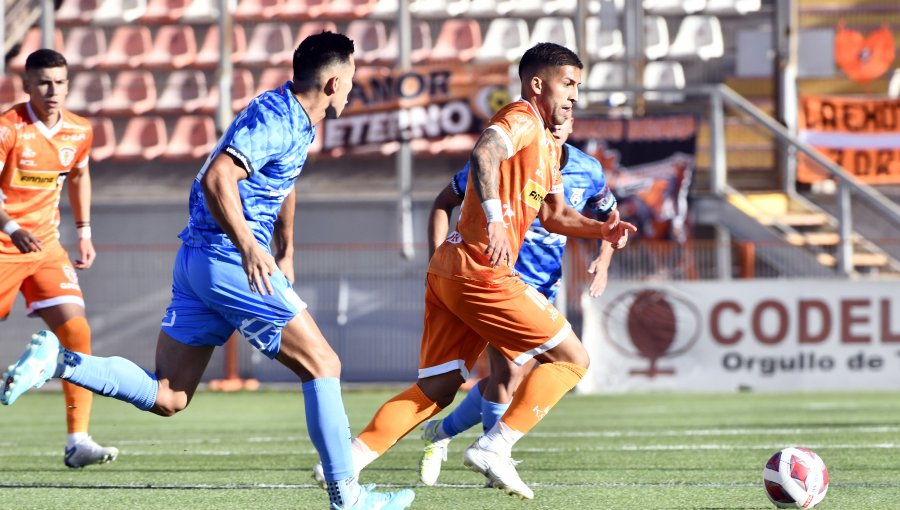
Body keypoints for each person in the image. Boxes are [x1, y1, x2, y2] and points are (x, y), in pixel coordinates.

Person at [0, 32, 414, 510]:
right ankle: (349, 497)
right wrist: (249, 248)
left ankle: (58, 362)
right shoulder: (278, 118)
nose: (352, 89)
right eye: (352, 80)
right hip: (228, 257)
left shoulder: (295, 119)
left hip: (201, 260)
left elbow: (281, 181)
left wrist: (287, 248)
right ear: (334, 82)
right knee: (324, 365)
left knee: (169, 394)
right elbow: (220, 176)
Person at [314, 42, 636, 500]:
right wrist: (497, 220)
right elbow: (484, 153)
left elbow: (555, 216)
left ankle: (346, 462)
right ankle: (495, 447)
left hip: (452, 268)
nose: (575, 96)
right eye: (568, 84)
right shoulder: (522, 117)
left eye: (578, 87)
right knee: (572, 359)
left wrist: (601, 230)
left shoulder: (547, 144)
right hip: (483, 268)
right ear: (537, 83)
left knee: (438, 387)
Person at [417, 116, 623, 487]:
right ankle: (494, 456)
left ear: (572, 123)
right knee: (509, 372)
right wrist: (436, 260)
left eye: (567, 114)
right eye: (551, 118)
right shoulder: (505, 160)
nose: (558, 124)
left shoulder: (587, 170)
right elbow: (443, 201)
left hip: (545, 285)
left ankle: (441, 433)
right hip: (498, 280)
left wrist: (604, 261)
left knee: (515, 376)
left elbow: (610, 217)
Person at [0, 48, 118, 468]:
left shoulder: (79, 130)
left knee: (77, 332)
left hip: (47, 247)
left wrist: (84, 232)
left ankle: (77, 440)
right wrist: (12, 228)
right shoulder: (8, 129)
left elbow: (81, 175)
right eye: (44, 82)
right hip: (4, 245)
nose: (53, 91)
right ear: (27, 85)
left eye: (60, 82)